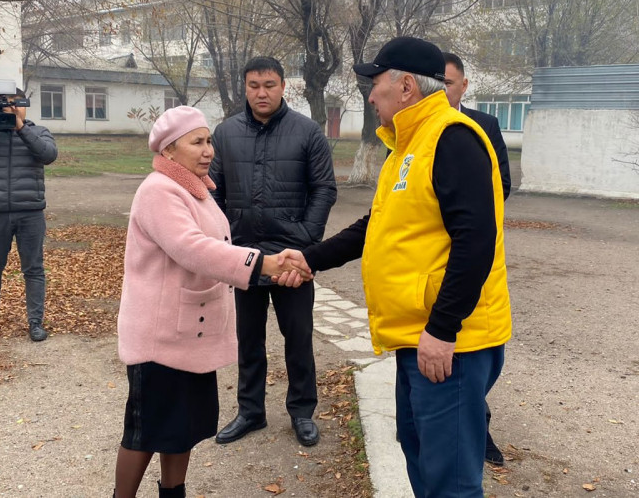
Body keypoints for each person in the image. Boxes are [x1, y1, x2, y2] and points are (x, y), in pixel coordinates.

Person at [278, 36, 512, 497]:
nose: (370, 95)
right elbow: (376, 226)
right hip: (416, 335)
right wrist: (310, 258)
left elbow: (477, 242)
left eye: (375, 83)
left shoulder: (452, 138)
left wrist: (443, 330)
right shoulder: (405, 147)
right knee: (420, 455)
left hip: (450, 344)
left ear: (406, 86)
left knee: (452, 480)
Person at [114, 106, 307, 498]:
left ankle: (173, 492)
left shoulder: (196, 189)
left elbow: (215, 245)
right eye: (197, 142)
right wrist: (263, 264)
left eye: (209, 141)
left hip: (188, 336)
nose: (208, 151)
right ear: (169, 150)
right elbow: (193, 249)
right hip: (160, 339)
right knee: (145, 431)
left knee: (181, 427)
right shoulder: (158, 190)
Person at [211, 57, 337, 447]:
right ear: (245, 87)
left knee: (297, 337)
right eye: (253, 85)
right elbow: (211, 191)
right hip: (244, 259)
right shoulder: (226, 133)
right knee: (247, 340)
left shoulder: (307, 132)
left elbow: (323, 189)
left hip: (291, 260)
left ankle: (302, 412)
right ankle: (250, 411)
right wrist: (224, 242)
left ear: (284, 86)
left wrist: (305, 242)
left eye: (269, 84)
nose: (261, 93)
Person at [443, 51, 511, 467]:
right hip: (430, 262)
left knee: (475, 351)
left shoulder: (482, 125)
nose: (445, 89)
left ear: (464, 86)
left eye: (450, 83)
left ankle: (481, 431)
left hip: (472, 250)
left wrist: (470, 219)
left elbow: (501, 183)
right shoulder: (411, 132)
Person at [0, 87, 58, 341]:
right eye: (3, 104)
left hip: (31, 212)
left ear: (24, 105)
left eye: (14, 104)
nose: (9, 108)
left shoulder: (37, 131)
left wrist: (20, 127)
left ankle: (36, 322)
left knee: (34, 269)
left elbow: (48, 155)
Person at [442, 52, 511, 201]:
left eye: (447, 84)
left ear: (464, 85)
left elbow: (501, 183)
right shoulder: (410, 127)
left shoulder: (486, 126)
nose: (441, 91)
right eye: (436, 83)